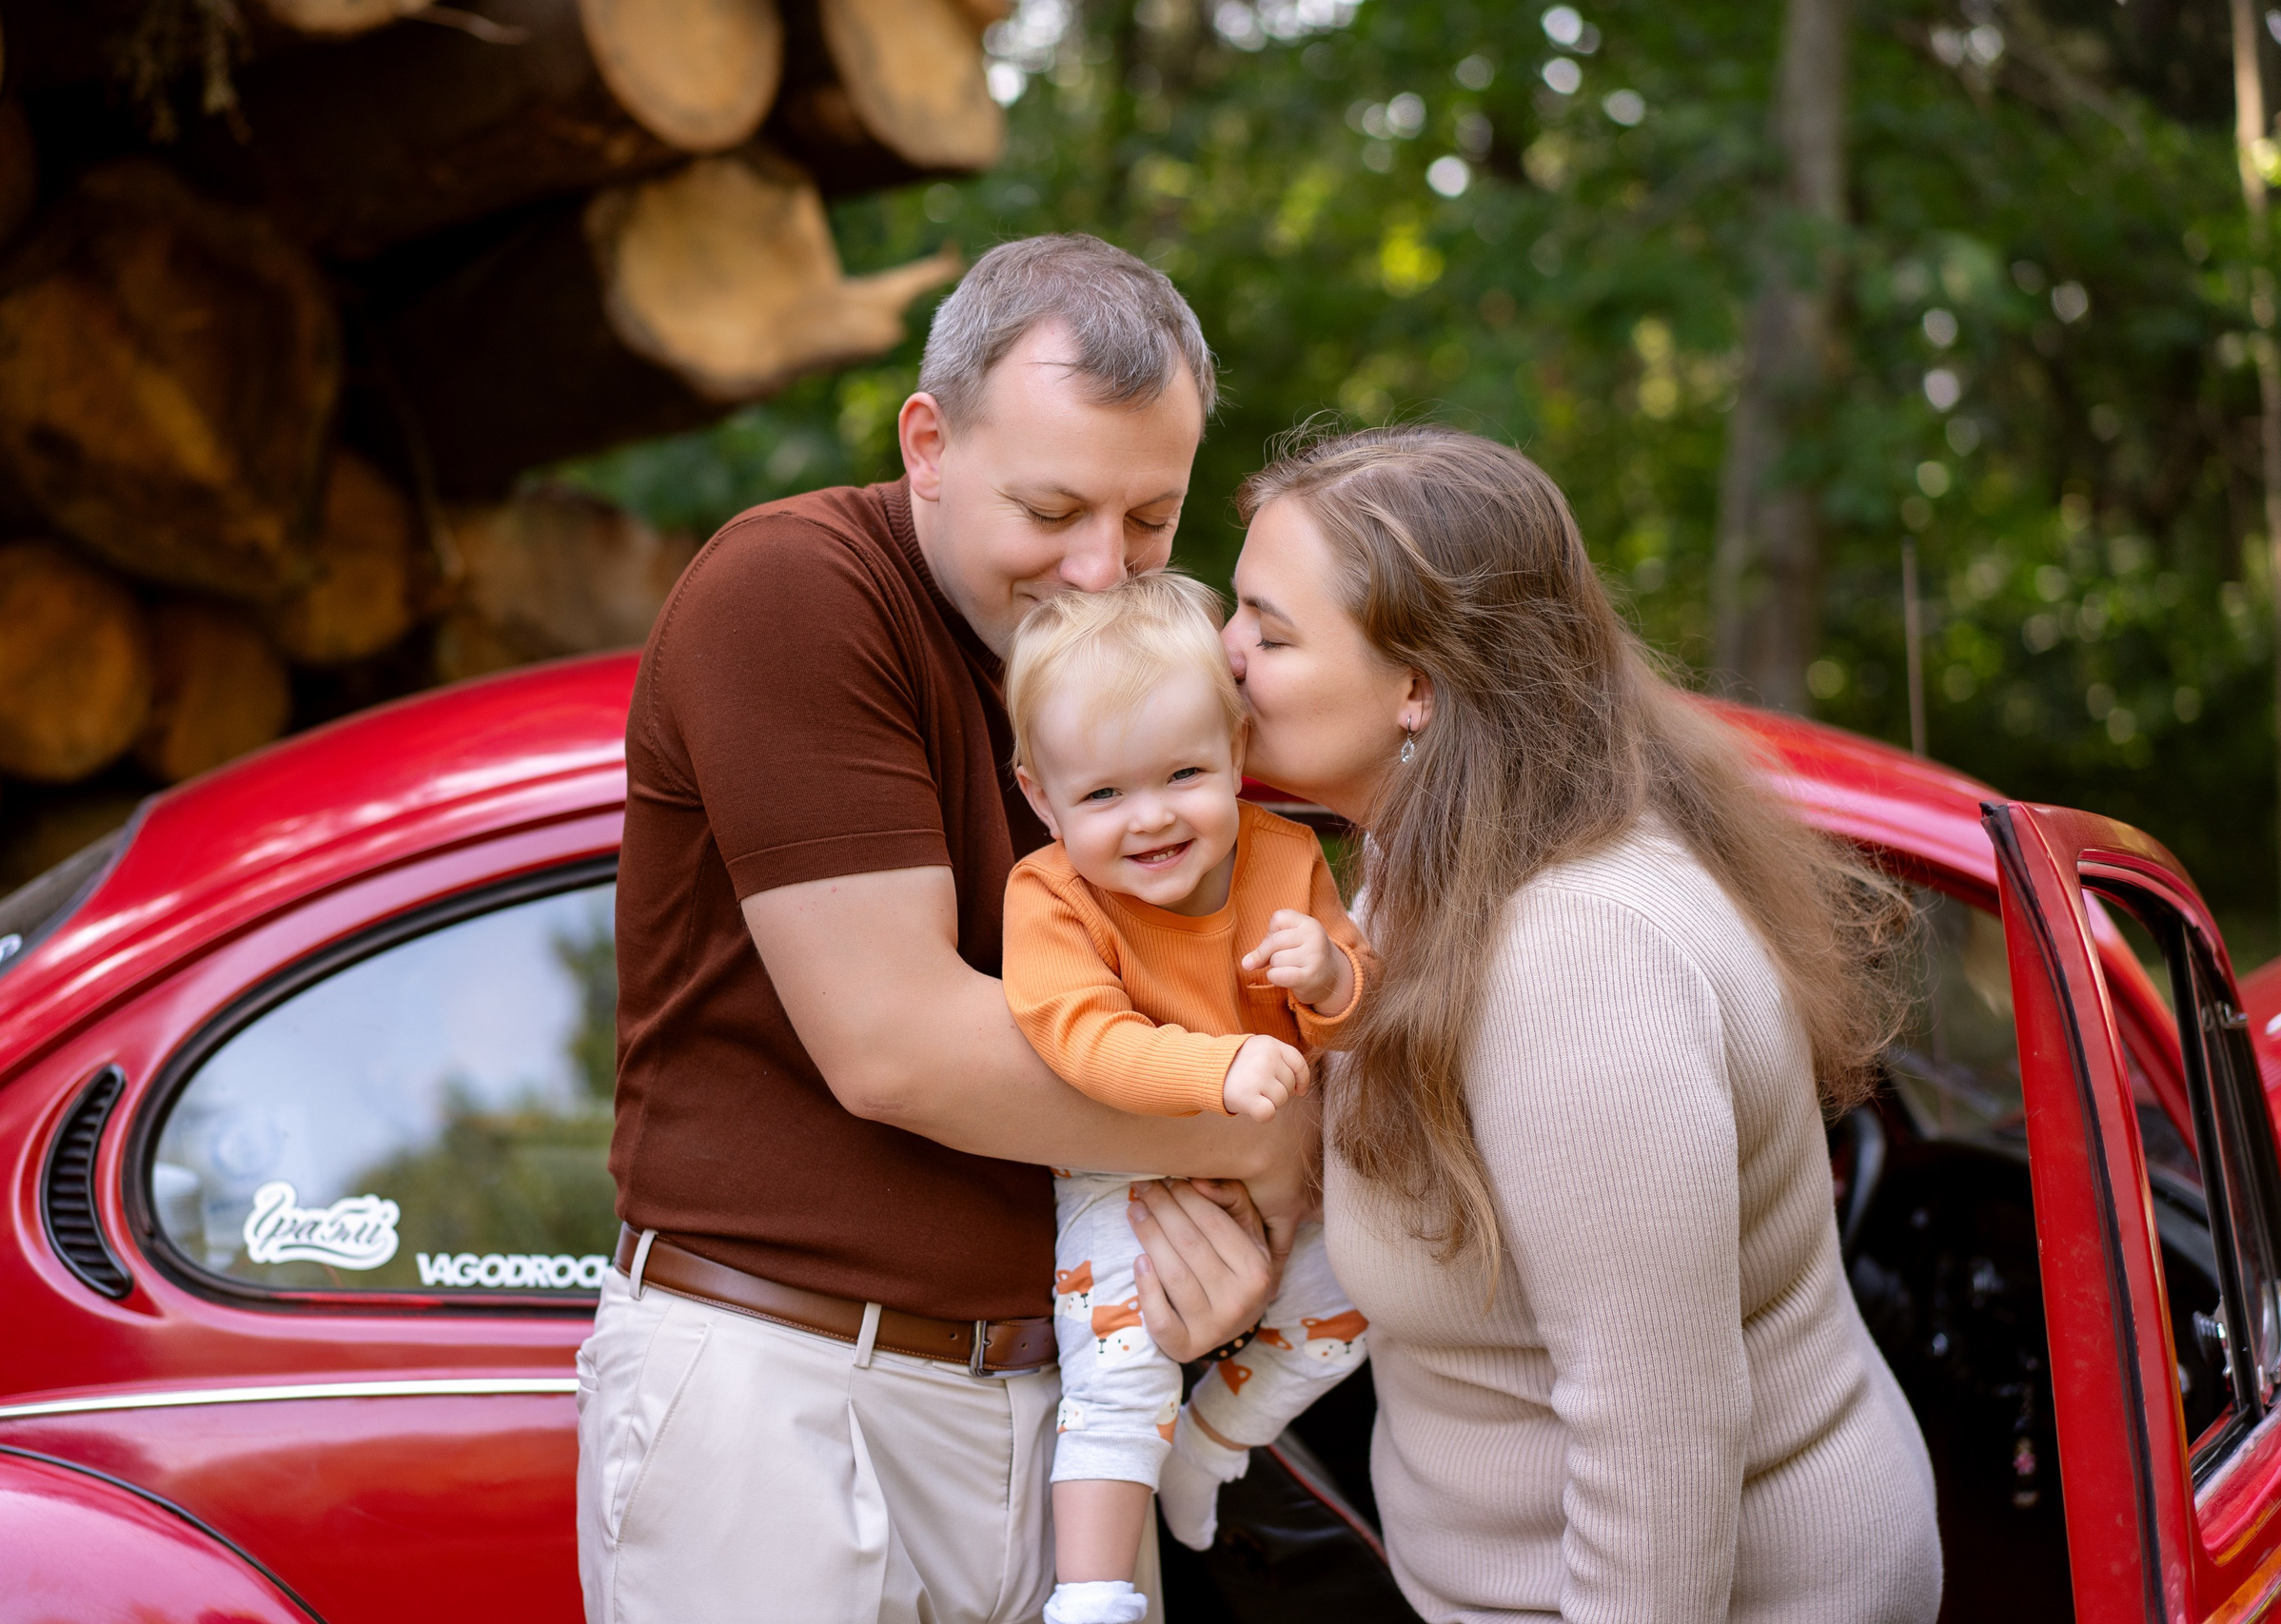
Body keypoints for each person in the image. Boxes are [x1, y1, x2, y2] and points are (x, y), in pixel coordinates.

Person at [577, 234, 1306, 1624]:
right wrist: (1268, 1133)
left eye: (1152, 519)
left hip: (1069, 1400)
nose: (1103, 570)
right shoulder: (791, 589)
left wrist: (1229, 1245)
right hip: (785, 1389)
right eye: (1052, 508)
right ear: (928, 440)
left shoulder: (1123, 691)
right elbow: (898, 1042)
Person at [1220, 424, 1945, 1623]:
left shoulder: (1577, 959)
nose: (1224, 654)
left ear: (1420, 690)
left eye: (1272, 633)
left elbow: (1655, 1442)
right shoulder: (1422, 869)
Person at [998, 574, 1373, 1624]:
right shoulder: (1049, 896)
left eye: (1183, 773)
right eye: (1104, 796)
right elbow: (1078, 1036)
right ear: (1041, 797)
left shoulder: (1288, 854)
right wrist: (1211, 1076)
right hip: (1128, 1170)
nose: (1152, 818)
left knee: (1362, 1299)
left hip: (1279, 1167)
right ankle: (1092, 1593)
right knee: (1115, 1366)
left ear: (1238, 755)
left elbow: (1354, 1022)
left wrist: (1332, 981)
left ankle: (1214, 1445)